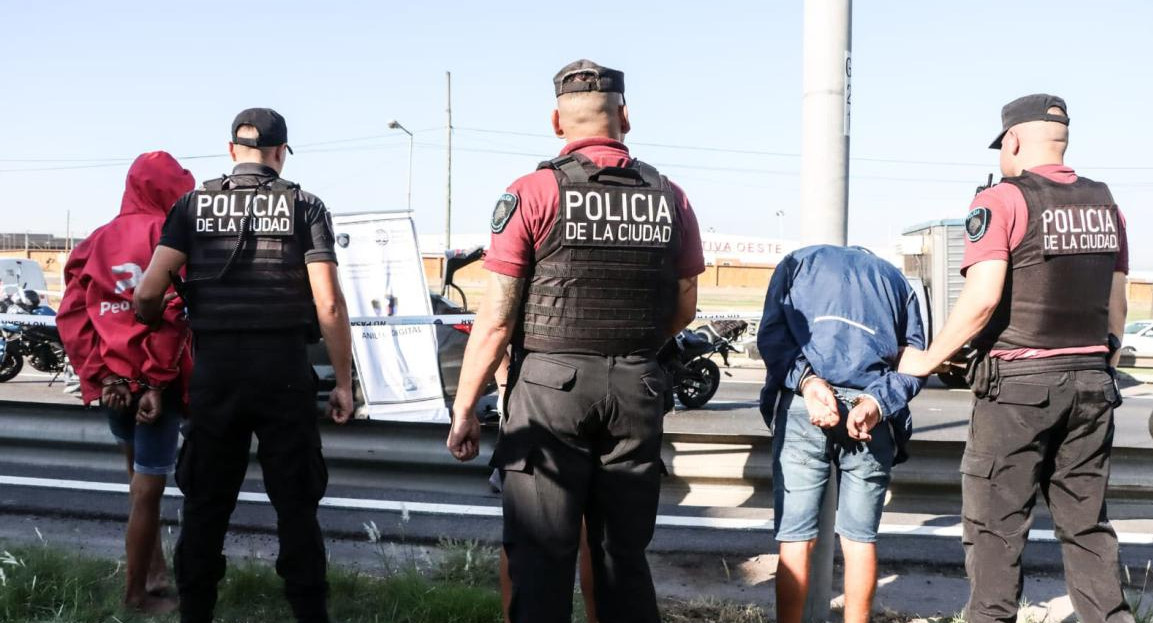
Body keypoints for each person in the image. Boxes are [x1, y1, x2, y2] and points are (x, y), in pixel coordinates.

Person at [446, 59, 705, 623]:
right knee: (622, 560)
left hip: (548, 391)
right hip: (638, 387)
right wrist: (631, 345)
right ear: (625, 118)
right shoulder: (671, 196)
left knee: (541, 560)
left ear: (557, 122)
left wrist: (465, 406)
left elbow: (497, 318)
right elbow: (685, 305)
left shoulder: (533, 192)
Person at [899, 94, 1134, 623]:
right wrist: (1106, 356)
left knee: (995, 527)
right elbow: (1117, 301)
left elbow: (982, 299)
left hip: (1019, 389)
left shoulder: (1002, 199)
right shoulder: (1107, 204)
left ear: (1013, 141)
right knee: (1087, 527)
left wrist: (930, 358)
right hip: (1093, 383)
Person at [134, 108, 354, 623]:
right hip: (283, 371)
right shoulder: (306, 206)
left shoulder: (191, 205)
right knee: (296, 505)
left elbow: (148, 292)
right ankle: (309, 614)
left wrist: (157, 317)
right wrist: (343, 382)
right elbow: (329, 306)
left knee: (205, 504)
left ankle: (195, 613)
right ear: (281, 152)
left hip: (215, 375)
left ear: (232, 151)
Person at [57, 151, 195, 615]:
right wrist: (152, 380)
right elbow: (176, 316)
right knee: (148, 489)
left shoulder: (97, 239)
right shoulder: (173, 238)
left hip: (115, 388)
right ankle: (137, 595)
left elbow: (74, 315)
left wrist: (102, 374)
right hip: (156, 388)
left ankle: (154, 573)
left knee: (137, 482)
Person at [758, 245, 926, 623]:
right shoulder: (895, 280)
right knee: (859, 539)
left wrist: (808, 382)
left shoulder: (795, 264)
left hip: (804, 406)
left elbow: (771, 336)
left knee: (795, 539)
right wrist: (876, 402)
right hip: (871, 412)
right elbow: (914, 360)